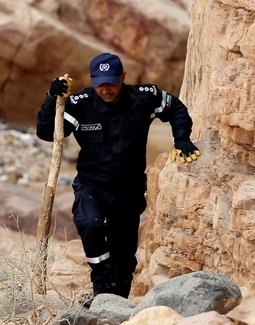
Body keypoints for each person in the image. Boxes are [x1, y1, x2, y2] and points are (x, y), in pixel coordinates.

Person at [37, 52, 199, 299]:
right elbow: (48, 133)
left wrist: (182, 139)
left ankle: (116, 305)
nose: (106, 89)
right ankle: (101, 285)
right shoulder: (80, 104)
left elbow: (175, 107)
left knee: (124, 261)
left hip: (128, 191)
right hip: (92, 187)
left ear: (123, 77)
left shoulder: (144, 98)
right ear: (92, 80)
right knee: (90, 225)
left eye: (112, 82)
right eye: (100, 83)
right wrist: (51, 99)